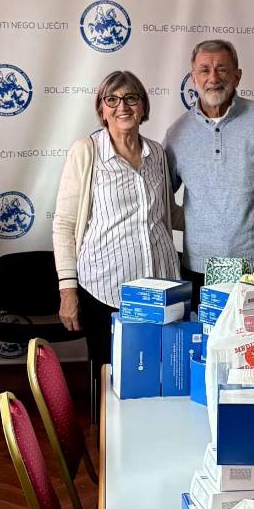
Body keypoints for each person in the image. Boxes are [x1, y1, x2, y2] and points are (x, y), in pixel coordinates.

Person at [53, 70, 181, 380]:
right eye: (112, 99)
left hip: (163, 287)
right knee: (108, 380)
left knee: (160, 378)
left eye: (130, 98)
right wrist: (67, 290)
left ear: (143, 106)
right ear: (102, 109)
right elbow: (64, 224)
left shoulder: (157, 153)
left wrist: (222, 215)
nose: (122, 106)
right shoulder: (86, 151)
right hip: (105, 290)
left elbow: (168, 213)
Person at [163, 39, 254, 305]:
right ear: (193, 78)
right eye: (204, 70)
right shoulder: (177, 133)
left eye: (222, 69)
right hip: (200, 270)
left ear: (237, 76)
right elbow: (158, 195)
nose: (213, 78)